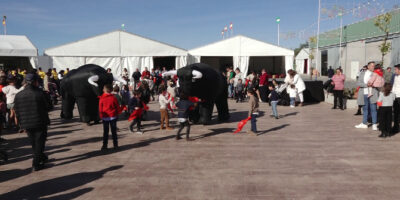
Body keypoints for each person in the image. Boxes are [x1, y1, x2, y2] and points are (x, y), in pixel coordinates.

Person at [14, 73, 50, 171]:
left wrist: (21, 124)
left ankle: (41, 157)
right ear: (35, 82)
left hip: (26, 123)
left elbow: (17, 110)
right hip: (40, 122)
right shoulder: (40, 93)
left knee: (34, 142)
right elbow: (48, 107)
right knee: (39, 143)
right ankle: (36, 164)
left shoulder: (18, 95)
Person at [355, 61, 378, 131]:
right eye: (371, 66)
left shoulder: (376, 74)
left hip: (372, 94)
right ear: (368, 67)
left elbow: (379, 84)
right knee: (365, 109)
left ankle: (374, 124)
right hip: (364, 94)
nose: (373, 67)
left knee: (373, 109)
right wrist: (366, 85)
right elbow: (358, 83)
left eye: (374, 66)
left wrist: (373, 84)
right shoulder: (362, 73)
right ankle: (364, 123)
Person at [99, 84, 119, 150]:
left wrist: (101, 116)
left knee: (105, 132)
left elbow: (100, 108)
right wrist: (116, 114)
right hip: (113, 116)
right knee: (114, 132)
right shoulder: (114, 98)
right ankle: (115, 145)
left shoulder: (102, 98)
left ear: (104, 90)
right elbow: (117, 107)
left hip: (105, 117)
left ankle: (105, 145)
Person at [391, 64, 400, 134]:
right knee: (396, 113)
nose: (395, 71)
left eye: (396, 69)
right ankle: (396, 127)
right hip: (395, 97)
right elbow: (394, 87)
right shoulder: (395, 77)